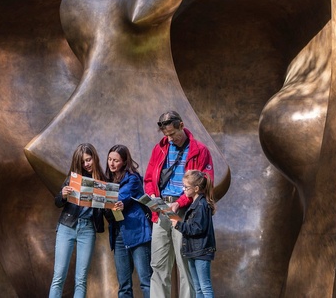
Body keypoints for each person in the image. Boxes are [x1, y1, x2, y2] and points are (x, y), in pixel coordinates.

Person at [144, 111, 214, 298]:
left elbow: (204, 184)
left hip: (184, 211)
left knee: (185, 266)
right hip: (160, 210)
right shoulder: (159, 148)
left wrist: (181, 202)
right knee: (158, 264)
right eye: (166, 135)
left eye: (173, 134)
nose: (170, 139)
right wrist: (151, 195)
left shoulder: (200, 151)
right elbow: (149, 178)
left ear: (182, 125)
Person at [49, 143, 107, 298]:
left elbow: (106, 212)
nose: (86, 164)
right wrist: (63, 194)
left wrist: (111, 206)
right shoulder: (73, 179)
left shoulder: (103, 181)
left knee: (81, 279)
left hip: (88, 229)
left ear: (94, 158)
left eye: (89, 159)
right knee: (58, 276)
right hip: (67, 226)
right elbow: (57, 202)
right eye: (82, 162)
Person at [105, 144, 153, 298]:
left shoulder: (133, 178)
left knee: (146, 281)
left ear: (124, 162)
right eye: (110, 159)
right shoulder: (108, 181)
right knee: (124, 286)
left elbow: (123, 196)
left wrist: (110, 201)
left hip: (137, 232)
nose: (111, 163)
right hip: (119, 235)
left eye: (116, 161)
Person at [170, 170, 216, 298]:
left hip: (201, 251)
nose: (183, 189)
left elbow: (197, 229)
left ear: (196, 188)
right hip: (193, 251)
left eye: (186, 187)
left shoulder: (201, 205)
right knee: (198, 288)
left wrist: (178, 225)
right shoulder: (195, 203)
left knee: (205, 287)